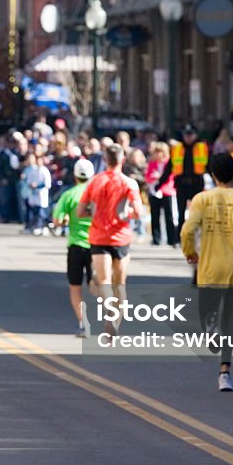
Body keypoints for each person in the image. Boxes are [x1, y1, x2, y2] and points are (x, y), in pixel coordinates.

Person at [180, 153, 233, 392]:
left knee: (206, 313)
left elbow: (188, 230)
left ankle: (210, 325)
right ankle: (225, 373)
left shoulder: (202, 199)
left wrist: (190, 253)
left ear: (212, 175)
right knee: (230, 322)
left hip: (209, 268)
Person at [77, 143, 143, 336]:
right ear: (122, 159)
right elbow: (138, 212)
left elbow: (81, 212)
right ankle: (115, 322)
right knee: (120, 285)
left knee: (104, 282)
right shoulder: (129, 183)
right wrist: (126, 212)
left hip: (98, 236)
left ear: (105, 159)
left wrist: (95, 211)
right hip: (121, 238)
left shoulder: (95, 182)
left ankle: (109, 314)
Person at [52, 159, 95, 337]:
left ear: (75, 175)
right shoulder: (98, 194)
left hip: (76, 245)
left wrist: (66, 220)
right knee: (97, 286)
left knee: (75, 287)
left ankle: (84, 324)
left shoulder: (69, 195)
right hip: (97, 245)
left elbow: (57, 220)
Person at [170, 124, 209, 222]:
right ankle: (180, 236)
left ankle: (197, 235)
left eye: (191, 135)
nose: (188, 137)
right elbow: (169, 167)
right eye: (186, 135)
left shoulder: (202, 147)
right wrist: (160, 183)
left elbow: (209, 165)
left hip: (196, 184)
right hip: (181, 184)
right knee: (181, 215)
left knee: (198, 213)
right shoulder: (177, 148)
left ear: (195, 135)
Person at [144, 142, 177, 246]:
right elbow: (147, 177)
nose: (158, 154)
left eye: (160, 152)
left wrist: (160, 178)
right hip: (154, 191)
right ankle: (156, 238)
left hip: (167, 191)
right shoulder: (152, 164)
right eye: (156, 152)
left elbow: (171, 177)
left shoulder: (169, 163)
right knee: (155, 215)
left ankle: (171, 239)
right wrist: (154, 177)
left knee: (169, 216)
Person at [22, 151, 52, 235]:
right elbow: (29, 180)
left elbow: (47, 183)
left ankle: (42, 226)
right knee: (34, 212)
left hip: (41, 194)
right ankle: (34, 226)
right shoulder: (33, 170)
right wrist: (31, 185)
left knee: (41, 213)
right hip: (34, 194)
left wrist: (38, 186)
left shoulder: (44, 171)